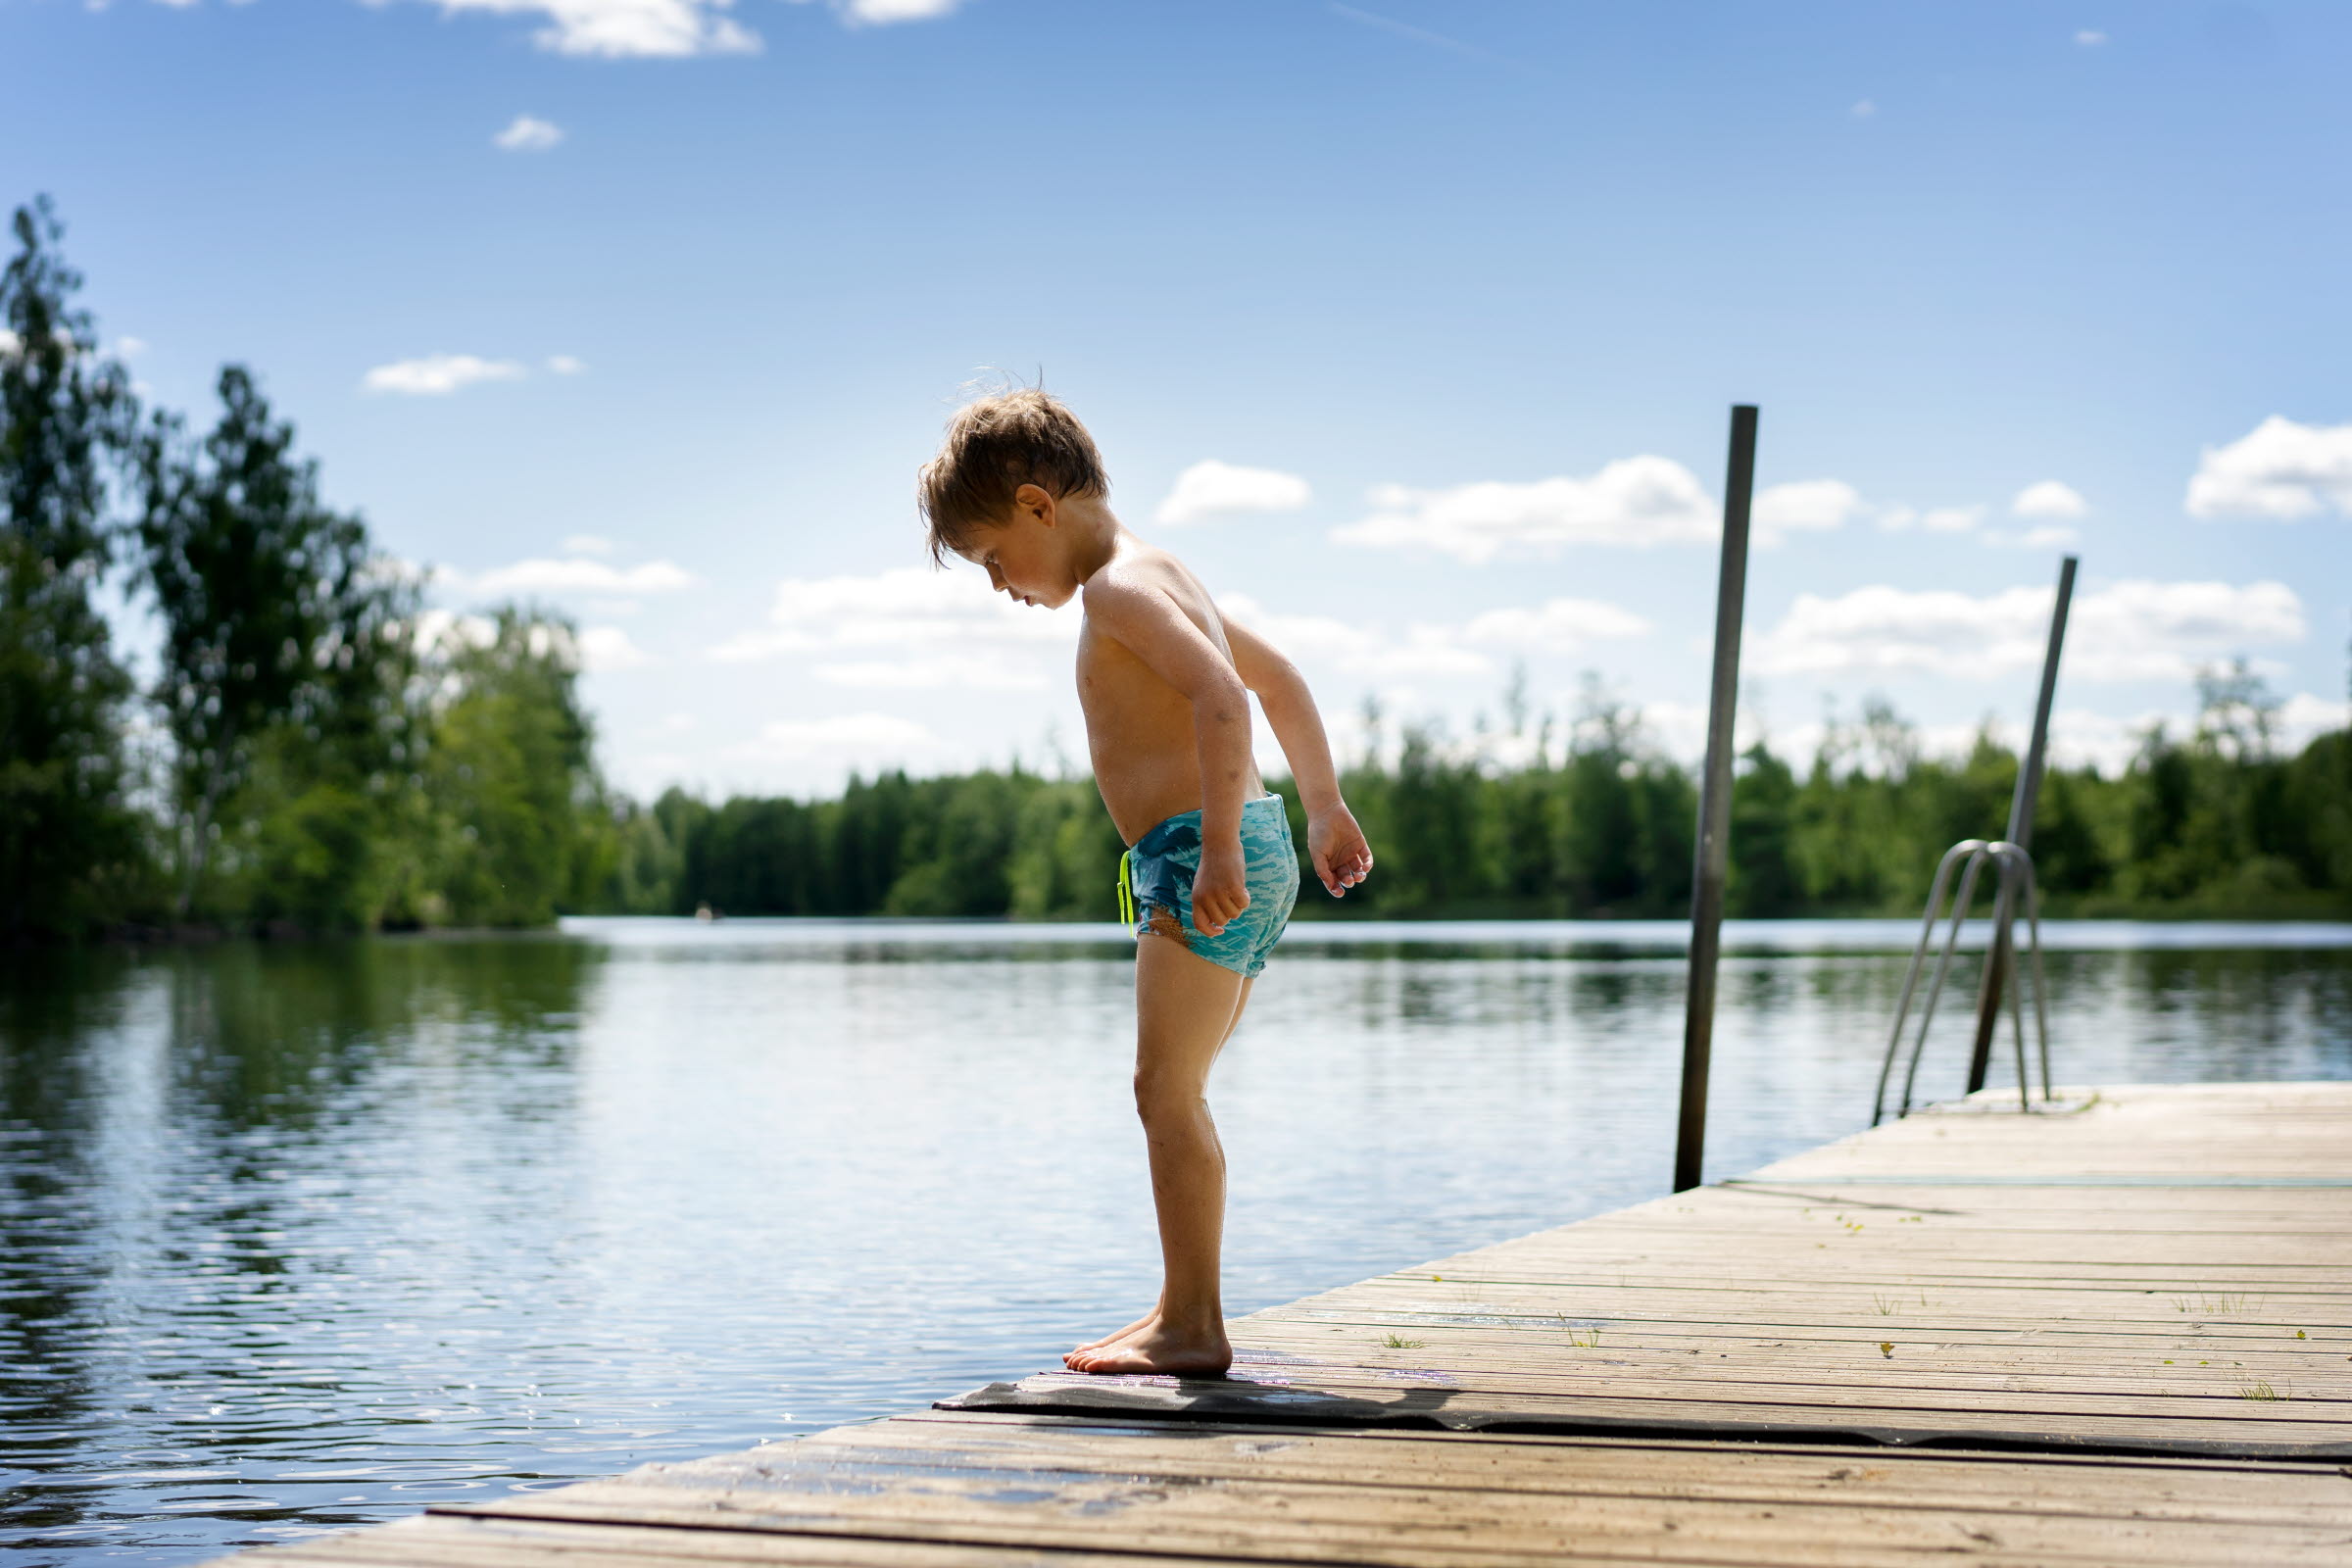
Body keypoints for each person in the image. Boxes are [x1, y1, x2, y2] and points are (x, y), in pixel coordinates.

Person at [919, 389, 1375, 1375]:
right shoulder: (1167, 572)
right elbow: (1279, 675)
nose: (998, 584)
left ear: (1040, 506)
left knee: (1164, 1090)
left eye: (994, 557)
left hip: (1204, 850)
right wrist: (1324, 806)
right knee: (1179, 1090)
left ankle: (1195, 1327)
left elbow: (1222, 698)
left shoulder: (1118, 593)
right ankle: (1182, 1300)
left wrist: (1214, 846)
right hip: (1236, 845)